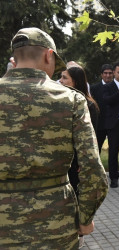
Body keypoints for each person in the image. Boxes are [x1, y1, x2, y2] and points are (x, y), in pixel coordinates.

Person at [0, 27, 108, 248]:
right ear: (48, 55)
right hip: (56, 226)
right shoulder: (71, 100)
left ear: (15, 58)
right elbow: (93, 169)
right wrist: (85, 218)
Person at [60, 65, 100, 248]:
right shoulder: (64, 101)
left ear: (75, 81)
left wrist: (82, 162)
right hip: (65, 162)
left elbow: (89, 139)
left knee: (75, 199)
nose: (60, 81)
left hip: (77, 164)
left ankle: (78, 239)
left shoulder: (88, 105)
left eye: (64, 78)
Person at [91, 64, 114, 153]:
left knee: (113, 150)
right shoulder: (94, 88)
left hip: (113, 124)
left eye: (110, 73)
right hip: (99, 124)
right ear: (101, 74)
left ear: (113, 74)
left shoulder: (117, 88)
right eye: (105, 73)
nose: (107, 75)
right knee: (97, 148)